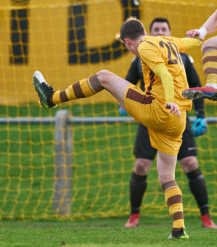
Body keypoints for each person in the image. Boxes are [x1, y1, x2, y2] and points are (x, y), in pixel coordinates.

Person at [33, 17, 203, 240]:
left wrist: (168, 100)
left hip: (161, 109)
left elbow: (163, 74)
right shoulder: (166, 41)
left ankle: (51, 98)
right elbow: (191, 44)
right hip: (178, 119)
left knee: (103, 77)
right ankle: (179, 228)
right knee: (167, 177)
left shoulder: (143, 46)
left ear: (126, 42)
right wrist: (199, 37)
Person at [121, 17, 217, 229]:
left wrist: (200, 115)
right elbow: (128, 82)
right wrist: (124, 101)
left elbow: (196, 86)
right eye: (155, 29)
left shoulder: (181, 57)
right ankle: (134, 216)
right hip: (152, 114)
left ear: (169, 32)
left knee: (190, 163)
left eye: (163, 29)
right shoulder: (140, 56)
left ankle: (206, 217)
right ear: (148, 32)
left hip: (177, 116)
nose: (159, 32)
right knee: (141, 166)